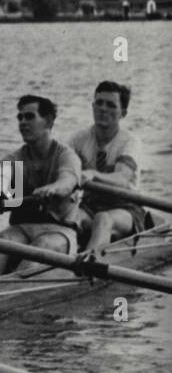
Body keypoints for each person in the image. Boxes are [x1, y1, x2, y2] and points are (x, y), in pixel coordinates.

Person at [0, 95, 83, 277]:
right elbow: (1, 174)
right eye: (20, 117)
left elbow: (67, 181)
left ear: (48, 121)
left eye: (29, 117)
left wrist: (53, 189)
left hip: (59, 230)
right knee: (2, 241)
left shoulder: (66, 155)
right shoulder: (14, 158)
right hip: (21, 228)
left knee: (42, 246)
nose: (22, 122)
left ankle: (2, 293)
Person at [68, 81, 148, 254]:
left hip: (126, 207)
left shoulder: (129, 141)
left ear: (123, 113)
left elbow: (122, 178)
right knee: (69, 218)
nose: (103, 109)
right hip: (90, 205)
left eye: (111, 105)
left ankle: (88, 270)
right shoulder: (78, 139)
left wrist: (93, 174)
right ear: (92, 106)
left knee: (103, 219)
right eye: (99, 103)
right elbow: (63, 170)